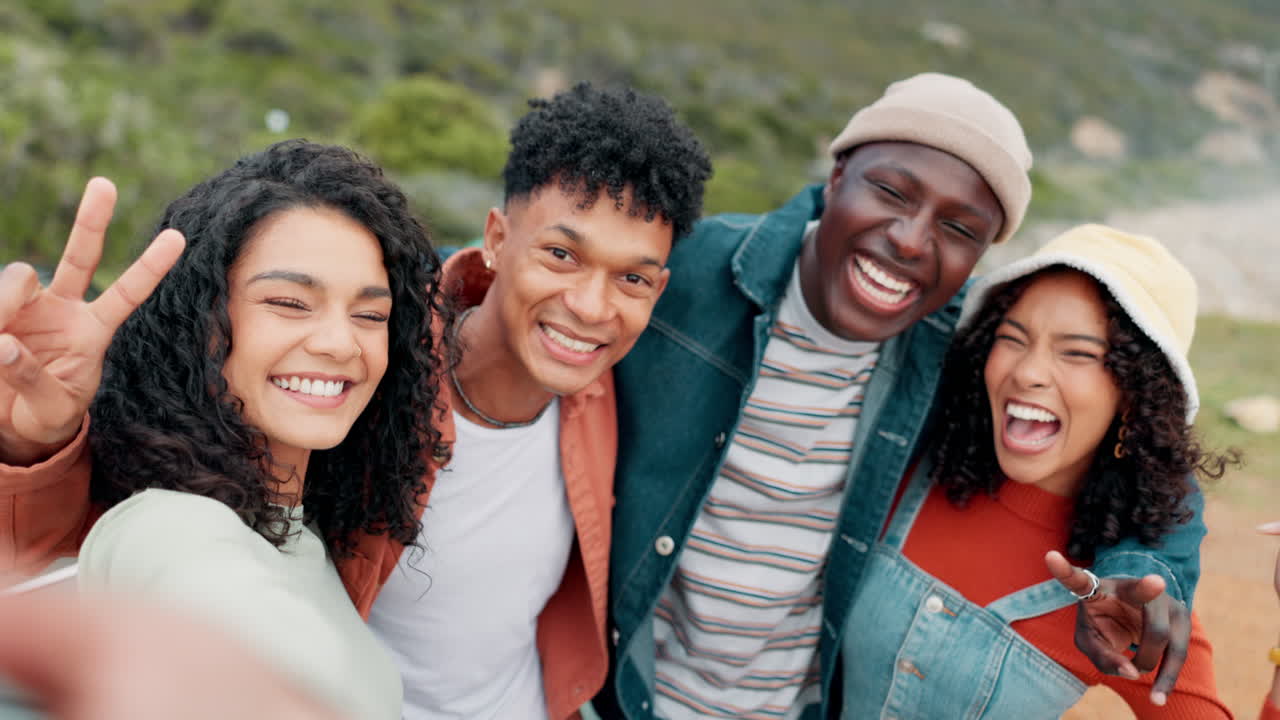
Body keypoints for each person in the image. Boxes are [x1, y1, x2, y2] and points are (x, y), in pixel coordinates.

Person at [0, 83, 712, 720]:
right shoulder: (375, 382)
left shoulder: (604, 389)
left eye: (633, 280)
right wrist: (38, 443)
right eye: (561, 255)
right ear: (496, 238)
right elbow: (156, 531)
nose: (590, 305)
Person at [598, 73, 1208, 719]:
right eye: (890, 192)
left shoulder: (955, 355)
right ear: (837, 177)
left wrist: (1146, 569)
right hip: (617, 698)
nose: (912, 240)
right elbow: (532, 289)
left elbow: (1146, 460)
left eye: (959, 227)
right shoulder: (685, 274)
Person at [81, 139, 443, 718]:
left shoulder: (307, 533)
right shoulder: (168, 525)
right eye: (290, 302)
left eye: (370, 315)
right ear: (197, 322)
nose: (339, 342)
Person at [837, 224, 1235, 717]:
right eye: (1012, 338)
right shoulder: (907, 468)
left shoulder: (1129, 601)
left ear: (1136, 394)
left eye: (1077, 353)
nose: (1026, 372)